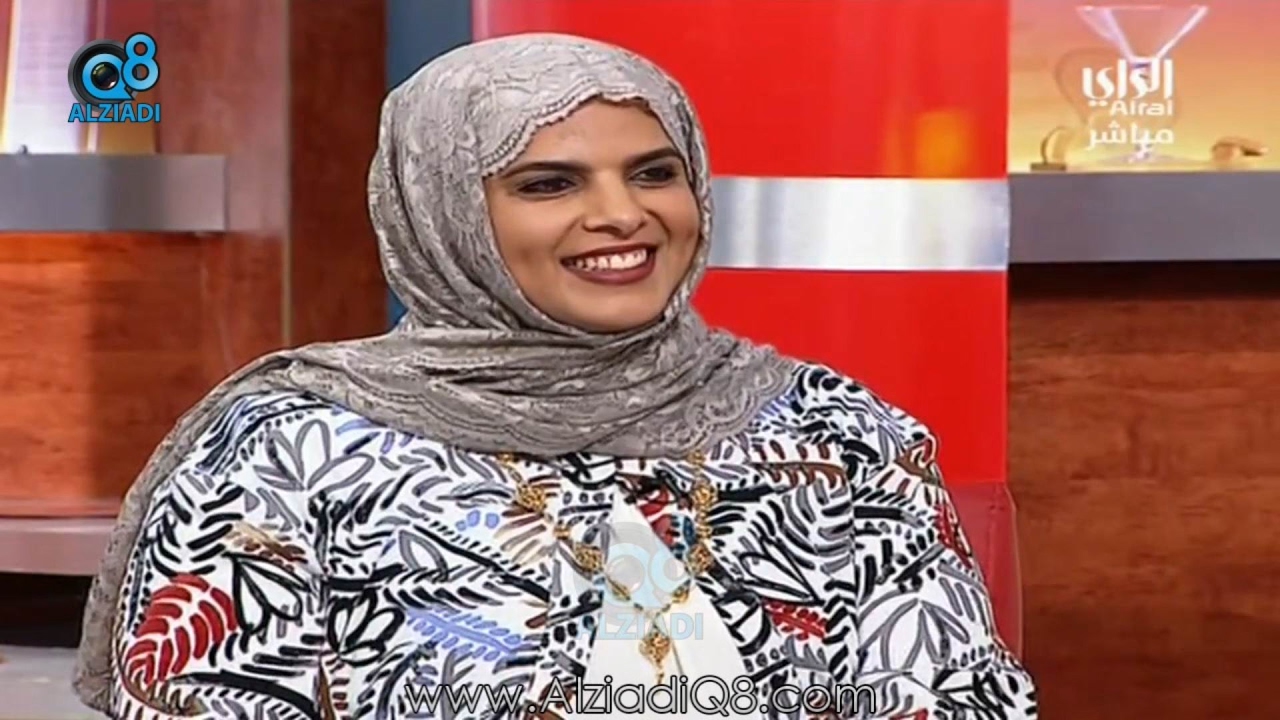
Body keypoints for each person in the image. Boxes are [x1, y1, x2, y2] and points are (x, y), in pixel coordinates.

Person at [72, 34, 1036, 719]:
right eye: (548, 183)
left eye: (654, 173)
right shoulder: (286, 452)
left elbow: (957, 698)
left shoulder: (837, 430)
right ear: (444, 212)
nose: (622, 214)